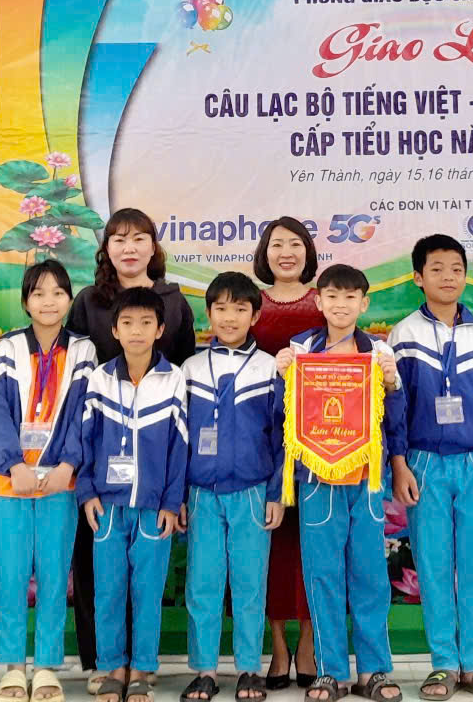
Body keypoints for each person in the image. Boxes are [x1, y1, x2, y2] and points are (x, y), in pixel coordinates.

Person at [67, 208, 198, 692]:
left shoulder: (175, 305)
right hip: (104, 470)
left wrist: (173, 496)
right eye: (118, 238)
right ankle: (106, 663)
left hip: (154, 467)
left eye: (139, 238)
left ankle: (143, 664)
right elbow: (77, 381)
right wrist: (85, 485)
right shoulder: (88, 303)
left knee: (146, 583)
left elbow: (184, 393)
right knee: (103, 580)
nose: (129, 247)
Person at [386, 236, 473, 701]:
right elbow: (394, 409)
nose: (447, 277)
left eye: (456, 268)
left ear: (465, 276)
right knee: (433, 566)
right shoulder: (403, 335)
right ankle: (443, 663)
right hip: (423, 464)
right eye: (436, 269)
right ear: (418, 278)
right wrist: (399, 464)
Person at [275, 265, 403, 702]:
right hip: (316, 477)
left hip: (366, 477)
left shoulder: (378, 352)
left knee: (369, 574)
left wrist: (392, 382)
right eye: (332, 296)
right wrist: (281, 375)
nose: (341, 305)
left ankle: (373, 670)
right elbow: (280, 415)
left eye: (350, 297)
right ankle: (330, 670)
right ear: (319, 301)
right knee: (322, 574)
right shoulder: (301, 349)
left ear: (364, 304)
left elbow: (397, 418)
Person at [0, 261, 98, 702]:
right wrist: (13, 464)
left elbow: (86, 411)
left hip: (60, 484)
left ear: (69, 299)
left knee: (53, 576)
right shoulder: (7, 348)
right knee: (11, 577)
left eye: (58, 292)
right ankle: (13, 667)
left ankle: (47, 665)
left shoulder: (84, 351)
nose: (48, 302)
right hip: (8, 482)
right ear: (25, 301)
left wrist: (69, 464)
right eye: (38, 293)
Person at [179, 272, 285, 702]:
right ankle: (204, 670)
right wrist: (178, 496)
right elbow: (177, 440)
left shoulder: (270, 367)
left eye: (240, 309)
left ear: (255, 315)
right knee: (202, 584)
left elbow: (282, 437)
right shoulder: (189, 369)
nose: (229, 317)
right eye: (221, 308)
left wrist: (277, 493)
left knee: (249, 583)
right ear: (208, 313)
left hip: (253, 493)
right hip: (201, 494)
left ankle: (249, 669)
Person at [250, 217, 322, 689]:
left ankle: (309, 643)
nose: (286, 253)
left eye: (295, 244)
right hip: (260, 440)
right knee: (271, 543)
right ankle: (277, 645)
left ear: (308, 252)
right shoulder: (250, 305)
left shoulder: (325, 302)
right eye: (277, 245)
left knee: (313, 543)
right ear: (265, 254)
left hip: (322, 440)